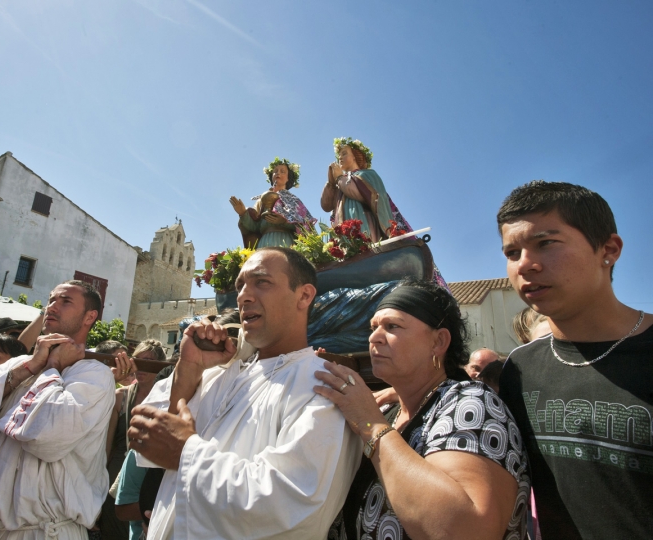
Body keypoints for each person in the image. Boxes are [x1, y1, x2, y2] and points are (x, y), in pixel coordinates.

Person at [128, 247, 361, 539]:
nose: (244, 295)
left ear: (304, 296)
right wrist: (188, 370)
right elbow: (142, 437)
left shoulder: (324, 386)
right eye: (240, 286)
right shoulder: (217, 374)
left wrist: (187, 452)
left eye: (262, 282)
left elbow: (291, 507)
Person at [497, 180, 653, 539]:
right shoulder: (518, 371)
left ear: (608, 249)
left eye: (545, 244)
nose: (525, 265)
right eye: (511, 253)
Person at [315, 280, 529, 539]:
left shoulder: (471, 403)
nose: (374, 337)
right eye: (373, 327)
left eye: (392, 326)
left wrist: (368, 422)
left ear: (438, 341)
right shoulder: (391, 412)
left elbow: (465, 530)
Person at [0, 280, 116, 539]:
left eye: (65, 301)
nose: (52, 306)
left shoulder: (93, 374)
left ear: (90, 316)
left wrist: (51, 368)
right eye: (51, 299)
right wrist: (26, 370)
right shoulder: (18, 365)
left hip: (44, 531)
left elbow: (46, 437)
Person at [102, 340, 164, 540]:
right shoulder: (120, 396)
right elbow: (107, 445)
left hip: (145, 479)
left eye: (148, 361)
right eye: (138, 359)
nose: (141, 365)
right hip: (114, 478)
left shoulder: (165, 399)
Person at [321, 137, 410, 242]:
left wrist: (339, 178)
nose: (340, 158)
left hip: (363, 222)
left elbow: (358, 192)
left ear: (355, 156)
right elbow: (326, 206)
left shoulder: (367, 174)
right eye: (339, 155)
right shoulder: (340, 183)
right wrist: (331, 184)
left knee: (363, 245)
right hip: (342, 227)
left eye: (344, 154)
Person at [229, 157, 316, 248]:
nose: (278, 173)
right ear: (271, 176)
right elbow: (254, 227)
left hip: (286, 243)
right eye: (275, 171)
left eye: (282, 171)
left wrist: (284, 221)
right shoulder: (261, 200)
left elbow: (305, 226)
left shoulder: (294, 201)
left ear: (288, 178)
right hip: (264, 243)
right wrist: (243, 213)